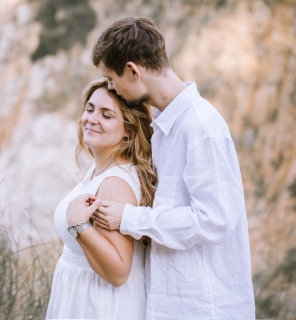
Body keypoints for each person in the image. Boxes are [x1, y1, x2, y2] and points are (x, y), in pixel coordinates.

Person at [69, 16, 255, 319]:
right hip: (171, 302)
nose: (112, 88)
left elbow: (215, 220)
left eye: (112, 79)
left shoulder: (200, 126)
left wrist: (130, 218)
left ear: (132, 70)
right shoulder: (165, 127)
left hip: (206, 306)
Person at [46, 77, 157, 319]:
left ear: (128, 129)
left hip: (101, 306)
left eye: (107, 115)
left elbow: (118, 271)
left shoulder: (115, 184)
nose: (92, 119)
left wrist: (79, 226)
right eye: (90, 109)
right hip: (83, 298)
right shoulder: (101, 171)